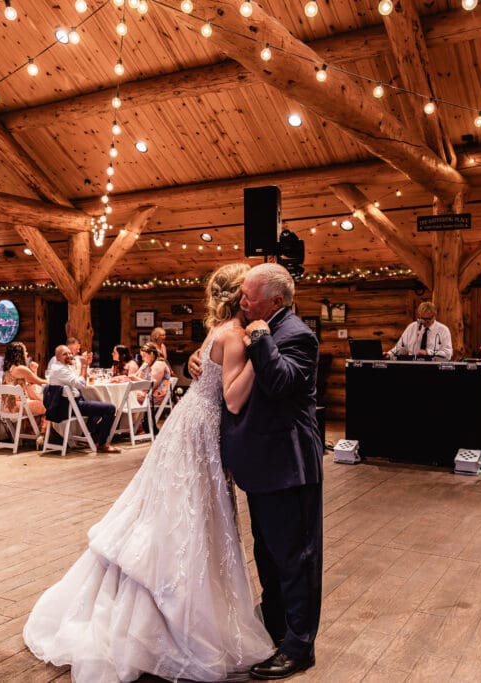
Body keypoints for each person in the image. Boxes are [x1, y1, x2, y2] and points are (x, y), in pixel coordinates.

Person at [25, 262, 275, 681]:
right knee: (191, 514)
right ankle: (172, 617)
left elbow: (207, 372)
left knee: (176, 511)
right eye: (248, 293)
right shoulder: (236, 335)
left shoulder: (218, 332)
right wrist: (258, 351)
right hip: (203, 426)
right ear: (240, 298)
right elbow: (232, 400)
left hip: (186, 423)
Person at [209, 262, 324, 680]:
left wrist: (259, 335)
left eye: (250, 295)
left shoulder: (297, 335)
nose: (242, 300)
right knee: (268, 555)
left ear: (275, 301)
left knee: (296, 558)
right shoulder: (262, 325)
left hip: (288, 465)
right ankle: (276, 627)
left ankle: (299, 647)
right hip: (261, 465)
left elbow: (278, 382)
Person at [45, 345, 119, 454]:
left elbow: (77, 378)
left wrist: (85, 365)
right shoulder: (60, 369)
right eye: (65, 354)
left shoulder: (63, 366)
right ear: (57, 358)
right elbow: (81, 384)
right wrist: (84, 366)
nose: (69, 355)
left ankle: (87, 436)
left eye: (69, 353)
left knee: (96, 405)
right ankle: (102, 444)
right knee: (110, 408)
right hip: (68, 407)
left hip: (70, 403)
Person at [387, 301, 453, 360]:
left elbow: (448, 353)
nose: (424, 322)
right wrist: (389, 354)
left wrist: (428, 352)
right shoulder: (412, 327)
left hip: (433, 368)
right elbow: (400, 348)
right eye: (422, 318)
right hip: (412, 366)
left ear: (434, 316)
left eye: (428, 319)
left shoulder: (443, 330)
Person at [1, 341, 47, 423]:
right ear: (19, 354)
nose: (27, 353)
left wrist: (33, 371)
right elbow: (39, 382)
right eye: (25, 351)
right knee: (50, 404)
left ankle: (36, 431)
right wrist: (55, 381)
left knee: (42, 401)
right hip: (16, 407)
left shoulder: (9, 369)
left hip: (6, 407)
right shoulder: (20, 368)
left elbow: (30, 385)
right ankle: (46, 433)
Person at [129, 342, 172, 406]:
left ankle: (129, 415)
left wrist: (135, 378)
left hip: (157, 396)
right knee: (124, 394)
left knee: (126, 395)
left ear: (151, 354)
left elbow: (151, 385)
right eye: (141, 356)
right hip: (148, 393)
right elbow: (135, 376)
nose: (143, 359)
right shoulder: (148, 363)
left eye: (144, 356)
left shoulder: (159, 364)